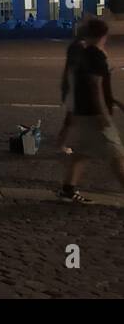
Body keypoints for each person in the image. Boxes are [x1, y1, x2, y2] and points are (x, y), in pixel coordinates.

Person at [57, 18, 124, 203]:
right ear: (103, 35)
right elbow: (95, 87)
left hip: (83, 111)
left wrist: (116, 101)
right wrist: (103, 113)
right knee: (117, 155)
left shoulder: (85, 52)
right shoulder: (95, 55)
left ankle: (68, 190)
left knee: (83, 152)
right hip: (94, 114)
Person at [54, 24, 88, 153]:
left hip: (73, 86)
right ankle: (61, 143)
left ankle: (63, 142)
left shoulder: (77, 45)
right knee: (72, 117)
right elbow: (74, 69)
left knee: (76, 117)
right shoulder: (79, 47)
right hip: (75, 87)